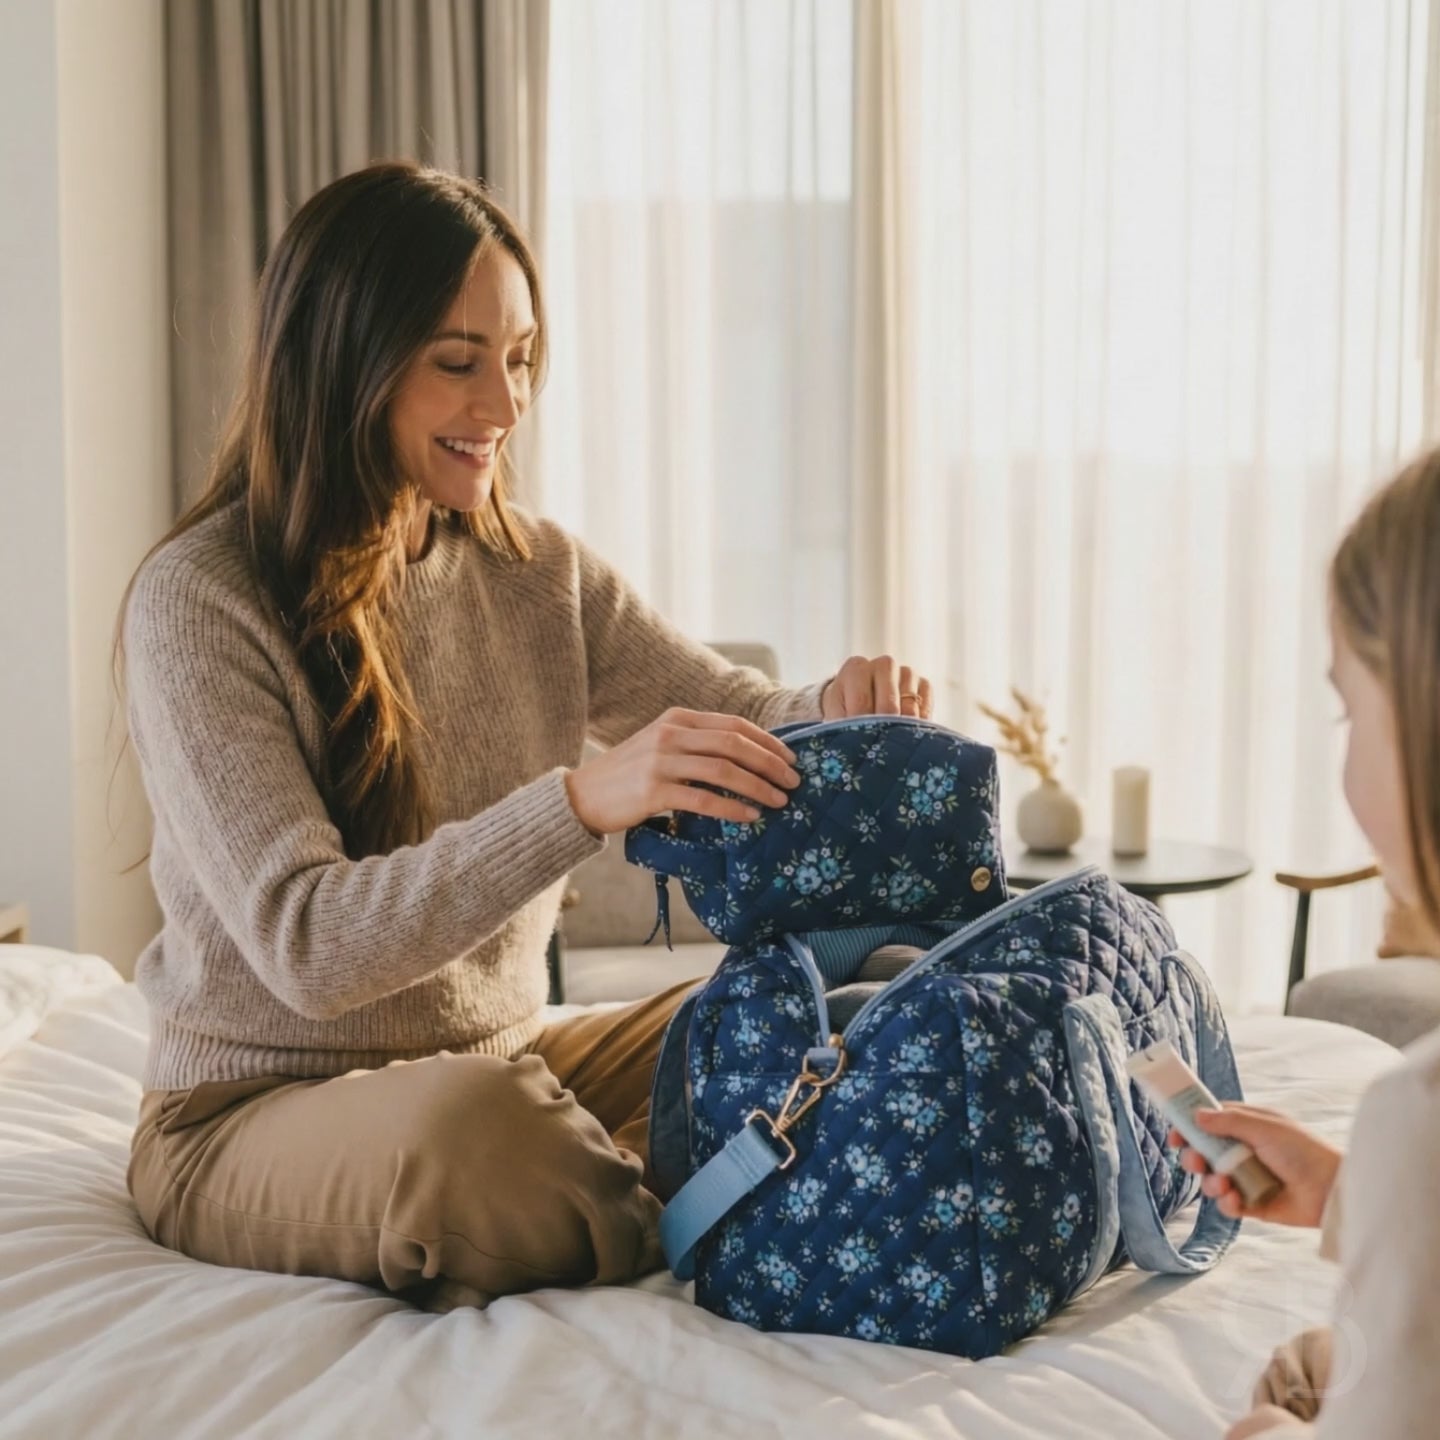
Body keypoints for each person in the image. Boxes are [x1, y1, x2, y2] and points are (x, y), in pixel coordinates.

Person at [119, 161, 935, 1311]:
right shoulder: (200, 600)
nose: (503, 408)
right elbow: (308, 949)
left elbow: (735, 709)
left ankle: (714, 1176)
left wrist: (837, 710)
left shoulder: (534, 570)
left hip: (500, 1063)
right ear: (344, 355)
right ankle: (733, 1202)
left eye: (520, 361)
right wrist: (579, 802)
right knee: (481, 1134)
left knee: (831, 1011)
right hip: (255, 1115)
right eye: (459, 363)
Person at [1174, 454, 1440, 1437]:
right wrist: (1354, 1196)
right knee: (1312, 1363)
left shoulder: (1421, 1118)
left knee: (1279, 1399)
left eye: (1349, 707)